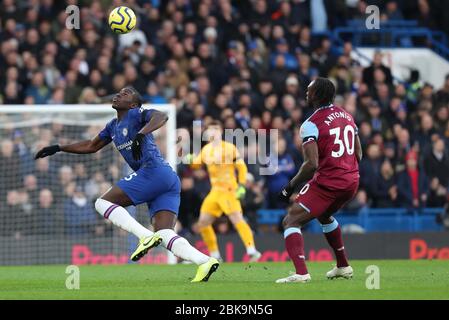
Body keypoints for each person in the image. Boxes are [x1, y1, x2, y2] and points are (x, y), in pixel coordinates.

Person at [35, 86, 218, 282]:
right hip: (166, 180)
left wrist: (141, 133)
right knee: (164, 233)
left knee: (102, 203)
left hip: (153, 171)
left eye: (125, 93)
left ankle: (144, 236)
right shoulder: (112, 126)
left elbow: (162, 116)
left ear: (133, 104)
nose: (119, 94)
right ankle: (204, 261)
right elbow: (90, 145)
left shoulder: (135, 114)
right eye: (119, 92)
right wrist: (59, 147)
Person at [277, 78, 362, 283]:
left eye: (309, 90)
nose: (306, 93)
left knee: (291, 220)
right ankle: (343, 266)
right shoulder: (347, 115)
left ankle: (301, 273)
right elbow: (358, 154)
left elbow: (311, 164)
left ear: (316, 94)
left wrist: (289, 187)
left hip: (329, 182)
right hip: (351, 181)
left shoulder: (311, 124)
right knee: (324, 215)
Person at [185, 120, 261, 262]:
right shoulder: (206, 149)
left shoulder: (229, 148)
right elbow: (196, 164)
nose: (212, 132)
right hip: (215, 192)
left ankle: (252, 250)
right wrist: (190, 160)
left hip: (229, 190)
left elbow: (241, 167)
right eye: (210, 129)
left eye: (215, 129)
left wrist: (242, 186)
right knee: (202, 223)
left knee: (236, 219)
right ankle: (215, 255)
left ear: (220, 132)